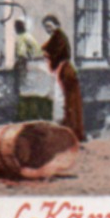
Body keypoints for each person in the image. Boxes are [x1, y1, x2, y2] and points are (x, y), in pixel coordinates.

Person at [39, 14, 85, 142]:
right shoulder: (58, 36)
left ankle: (71, 132)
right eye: (45, 27)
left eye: (49, 26)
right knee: (69, 102)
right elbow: (46, 48)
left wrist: (46, 54)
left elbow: (52, 52)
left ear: (56, 25)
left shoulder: (58, 36)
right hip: (65, 69)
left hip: (65, 70)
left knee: (66, 101)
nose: (48, 29)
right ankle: (72, 131)